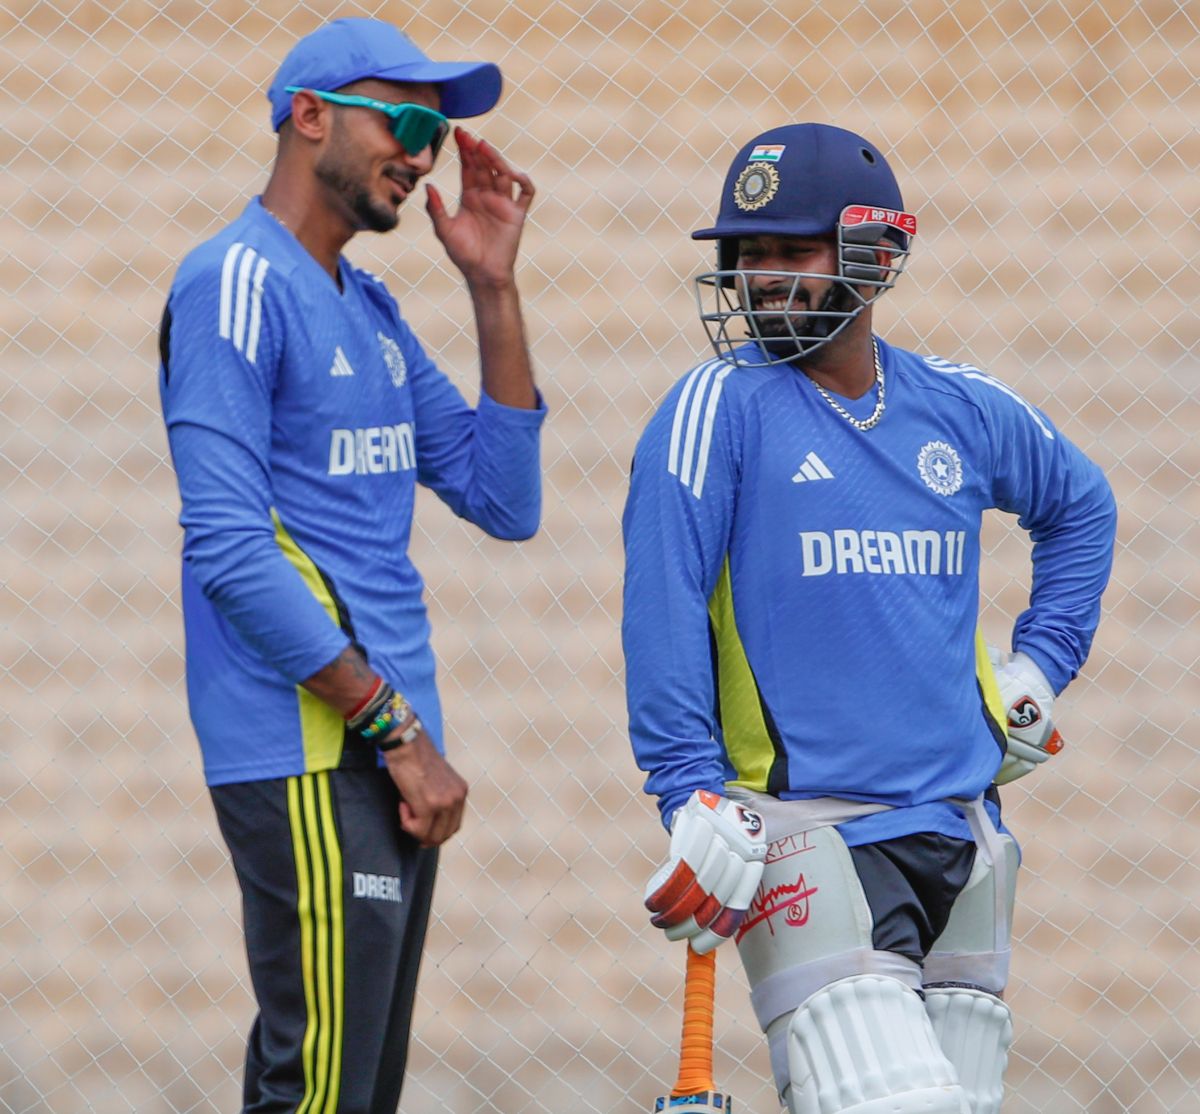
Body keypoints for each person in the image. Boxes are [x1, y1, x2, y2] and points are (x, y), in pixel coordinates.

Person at [622, 123, 1116, 1114]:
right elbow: (662, 600)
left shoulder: (959, 408)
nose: (761, 279)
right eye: (747, 255)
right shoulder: (716, 406)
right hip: (811, 833)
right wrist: (687, 792)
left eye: (789, 251)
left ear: (877, 255)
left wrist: (1040, 666)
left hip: (967, 834)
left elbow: (1082, 506)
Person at [156, 17, 545, 1113]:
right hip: (317, 743)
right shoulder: (233, 281)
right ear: (308, 115)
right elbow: (230, 549)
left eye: (438, 129)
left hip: (382, 759)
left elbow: (503, 497)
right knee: (320, 1092)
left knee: (345, 1090)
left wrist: (492, 289)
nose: (424, 152)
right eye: (407, 120)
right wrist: (398, 731)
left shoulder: (367, 307)